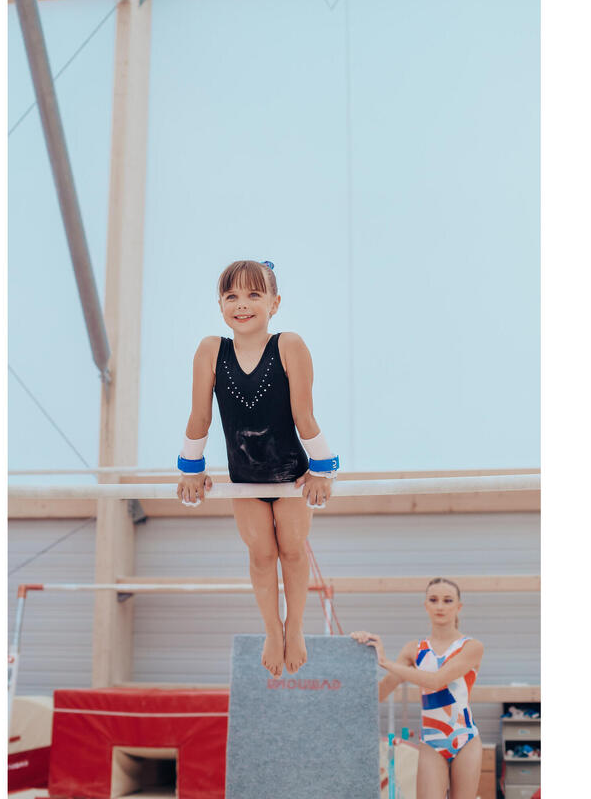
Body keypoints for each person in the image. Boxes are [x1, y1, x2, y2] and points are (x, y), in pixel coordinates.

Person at [176, 259, 339, 678]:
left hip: (290, 476)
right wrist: (191, 467)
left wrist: (322, 470)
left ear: (275, 302)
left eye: (253, 295)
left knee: (291, 549)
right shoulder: (211, 350)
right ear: (220, 305)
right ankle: (272, 630)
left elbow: (304, 415)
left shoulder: (289, 345)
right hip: (244, 479)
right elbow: (200, 417)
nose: (242, 305)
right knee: (262, 555)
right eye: (232, 296)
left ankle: (296, 626)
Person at [351, 578, 484, 799]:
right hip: (432, 741)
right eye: (433, 600)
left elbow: (436, 681)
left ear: (458, 607)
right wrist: (361, 647)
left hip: (466, 739)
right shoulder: (413, 649)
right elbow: (382, 691)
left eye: (447, 600)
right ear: (426, 605)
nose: (440, 606)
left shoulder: (471, 647)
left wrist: (385, 661)